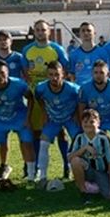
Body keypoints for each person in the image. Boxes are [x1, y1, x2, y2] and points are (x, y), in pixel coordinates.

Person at [0, 60, 37, 185]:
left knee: (27, 143)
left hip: (19, 117)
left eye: (2, 72)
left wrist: (28, 118)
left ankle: (31, 175)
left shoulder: (19, 84)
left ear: (8, 73)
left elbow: (30, 98)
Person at [23, 19, 71, 171]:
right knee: (37, 131)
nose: (40, 32)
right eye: (37, 30)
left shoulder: (56, 49)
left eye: (43, 30)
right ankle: (38, 166)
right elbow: (25, 71)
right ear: (34, 32)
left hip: (55, 95)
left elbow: (65, 70)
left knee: (61, 132)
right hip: (36, 97)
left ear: (49, 31)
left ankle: (66, 165)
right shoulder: (27, 50)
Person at [0, 29, 29, 176]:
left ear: (11, 41)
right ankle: (3, 164)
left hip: (16, 101)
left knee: (23, 136)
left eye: (6, 39)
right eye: (0, 39)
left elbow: (26, 75)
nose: (3, 42)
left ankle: (26, 164)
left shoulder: (18, 57)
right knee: (2, 136)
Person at [34, 61, 81, 185]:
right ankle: (42, 176)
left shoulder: (73, 89)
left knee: (78, 142)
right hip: (53, 119)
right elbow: (39, 99)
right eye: (51, 75)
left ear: (63, 74)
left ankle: (77, 172)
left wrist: (77, 115)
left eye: (57, 75)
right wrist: (44, 113)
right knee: (43, 142)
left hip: (70, 118)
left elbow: (80, 101)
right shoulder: (40, 88)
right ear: (47, 75)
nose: (54, 78)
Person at [69, 109, 110, 203]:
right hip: (87, 170)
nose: (88, 125)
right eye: (85, 122)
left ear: (98, 123)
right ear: (81, 123)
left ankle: (94, 187)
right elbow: (70, 157)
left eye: (92, 122)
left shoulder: (104, 138)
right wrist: (84, 148)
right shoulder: (79, 137)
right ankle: (83, 192)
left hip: (101, 172)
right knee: (75, 161)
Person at [78, 60, 110, 137]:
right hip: (93, 119)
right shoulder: (85, 88)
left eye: (101, 73)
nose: (98, 76)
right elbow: (81, 108)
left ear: (108, 74)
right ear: (92, 74)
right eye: (96, 73)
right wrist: (84, 126)